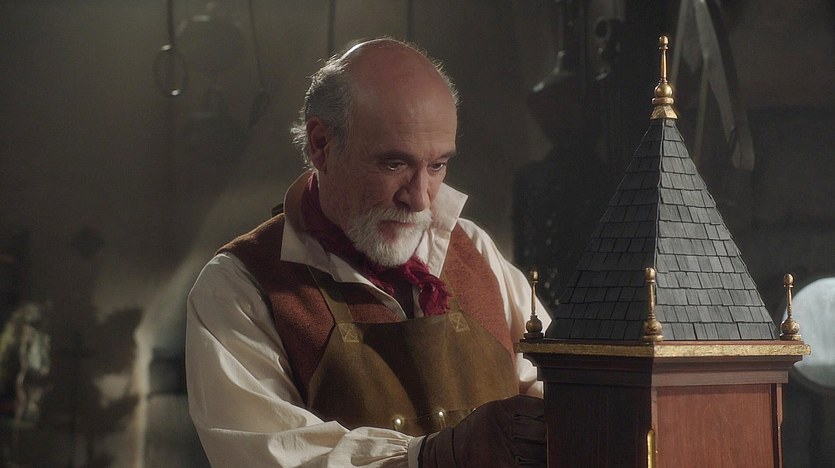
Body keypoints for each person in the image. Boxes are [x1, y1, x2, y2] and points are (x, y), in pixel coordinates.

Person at [186, 37, 552, 467]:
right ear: (321, 145)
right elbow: (276, 457)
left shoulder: (475, 250)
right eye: (394, 164)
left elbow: (557, 388)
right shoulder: (240, 286)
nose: (420, 199)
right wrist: (436, 455)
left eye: (437, 165)